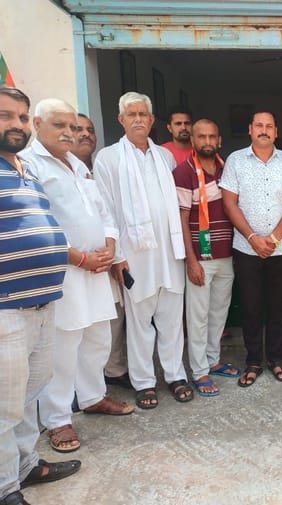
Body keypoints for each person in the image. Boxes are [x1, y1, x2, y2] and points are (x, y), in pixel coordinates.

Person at [21, 98, 134, 453]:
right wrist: (80, 257)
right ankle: (57, 420)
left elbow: (103, 211)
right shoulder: (28, 165)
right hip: (64, 271)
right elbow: (37, 224)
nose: (69, 133)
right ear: (37, 124)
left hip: (96, 267)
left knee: (97, 337)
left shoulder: (77, 164)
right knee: (63, 347)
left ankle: (93, 397)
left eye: (72, 126)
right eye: (60, 125)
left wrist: (110, 245)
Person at [0, 86, 80, 505]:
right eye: (5, 115)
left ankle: (25, 465)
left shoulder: (26, 169)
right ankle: (5, 488)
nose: (15, 124)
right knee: (4, 405)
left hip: (43, 302)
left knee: (29, 395)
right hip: (7, 308)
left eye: (20, 117)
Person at [95, 92, 193, 410]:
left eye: (143, 114)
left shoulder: (164, 157)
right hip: (134, 255)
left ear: (151, 121)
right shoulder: (109, 158)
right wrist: (117, 256)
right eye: (131, 114)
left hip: (169, 252)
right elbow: (105, 210)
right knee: (139, 322)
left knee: (171, 319)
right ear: (121, 119)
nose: (138, 119)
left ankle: (175, 375)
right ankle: (144, 382)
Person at [221, 110, 282, 386]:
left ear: (276, 132)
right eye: (259, 125)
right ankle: (254, 360)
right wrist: (253, 237)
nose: (264, 130)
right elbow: (229, 203)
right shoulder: (235, 160)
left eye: (269, 126)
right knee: (251, 307)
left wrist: (275, 237)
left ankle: (277, 358)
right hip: (247, 249)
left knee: (277, 307)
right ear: (250, 129)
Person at [173, 119, 238, 397]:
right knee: (197, 316)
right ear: (193, 140)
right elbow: (182, 217)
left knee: (219, 312)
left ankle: (213, 360)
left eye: (212, 137)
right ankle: (199, 371)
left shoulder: (228, 169)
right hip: (201, 256)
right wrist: (191, 260)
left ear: (219, 140)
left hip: (227, 253)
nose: (207, 142)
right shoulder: (184, 172)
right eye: (202, 137)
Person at [69, 114, 130, 389]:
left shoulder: (100, 167)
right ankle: (75, 386)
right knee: (75, 325)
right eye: (78, 129)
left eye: (90, 130)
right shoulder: (52, 171)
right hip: (73, 263)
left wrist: (113, 252)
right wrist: (82, 258)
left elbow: (110, 215)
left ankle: (112, 371)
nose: (85, 134)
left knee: (111, 318)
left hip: (106, 258)